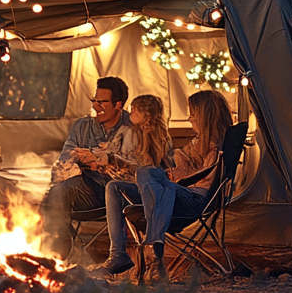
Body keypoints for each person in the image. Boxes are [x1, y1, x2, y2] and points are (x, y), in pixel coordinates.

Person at [130, 90, 234, 281]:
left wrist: (174, 173)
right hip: (183, 194)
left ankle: (153, 247)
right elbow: (183, 170)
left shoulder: (216, 145)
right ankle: (134, 251)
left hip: (196, 199)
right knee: (119, 185)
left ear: (204, 116)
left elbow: (200, 176)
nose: (189, 119)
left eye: (193, 115)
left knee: (147, 174)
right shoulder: (201, 142)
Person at [39, 76, 140, 257]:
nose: (96, 106)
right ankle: (54, 253)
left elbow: (138, 166)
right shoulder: (82, 126)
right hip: (88, 190)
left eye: (102, 102)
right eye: (94, 101)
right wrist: (79, 159)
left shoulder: (133, 127)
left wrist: (97, 159)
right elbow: (64, 161)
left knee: (114, 187)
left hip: (121, 192)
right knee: (56, 192)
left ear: (119, 105)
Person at [96, 94, 173, 275]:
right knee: (115, 186)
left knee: (113, 187)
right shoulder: (163, 134)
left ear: (144, 114)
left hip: (147, 189)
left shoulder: (135, 133)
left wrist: (112, 160)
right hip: (162, 192)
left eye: (133, 110)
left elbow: (137, 166)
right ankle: (152, 258)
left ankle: (117, 253)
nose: (130, 114)